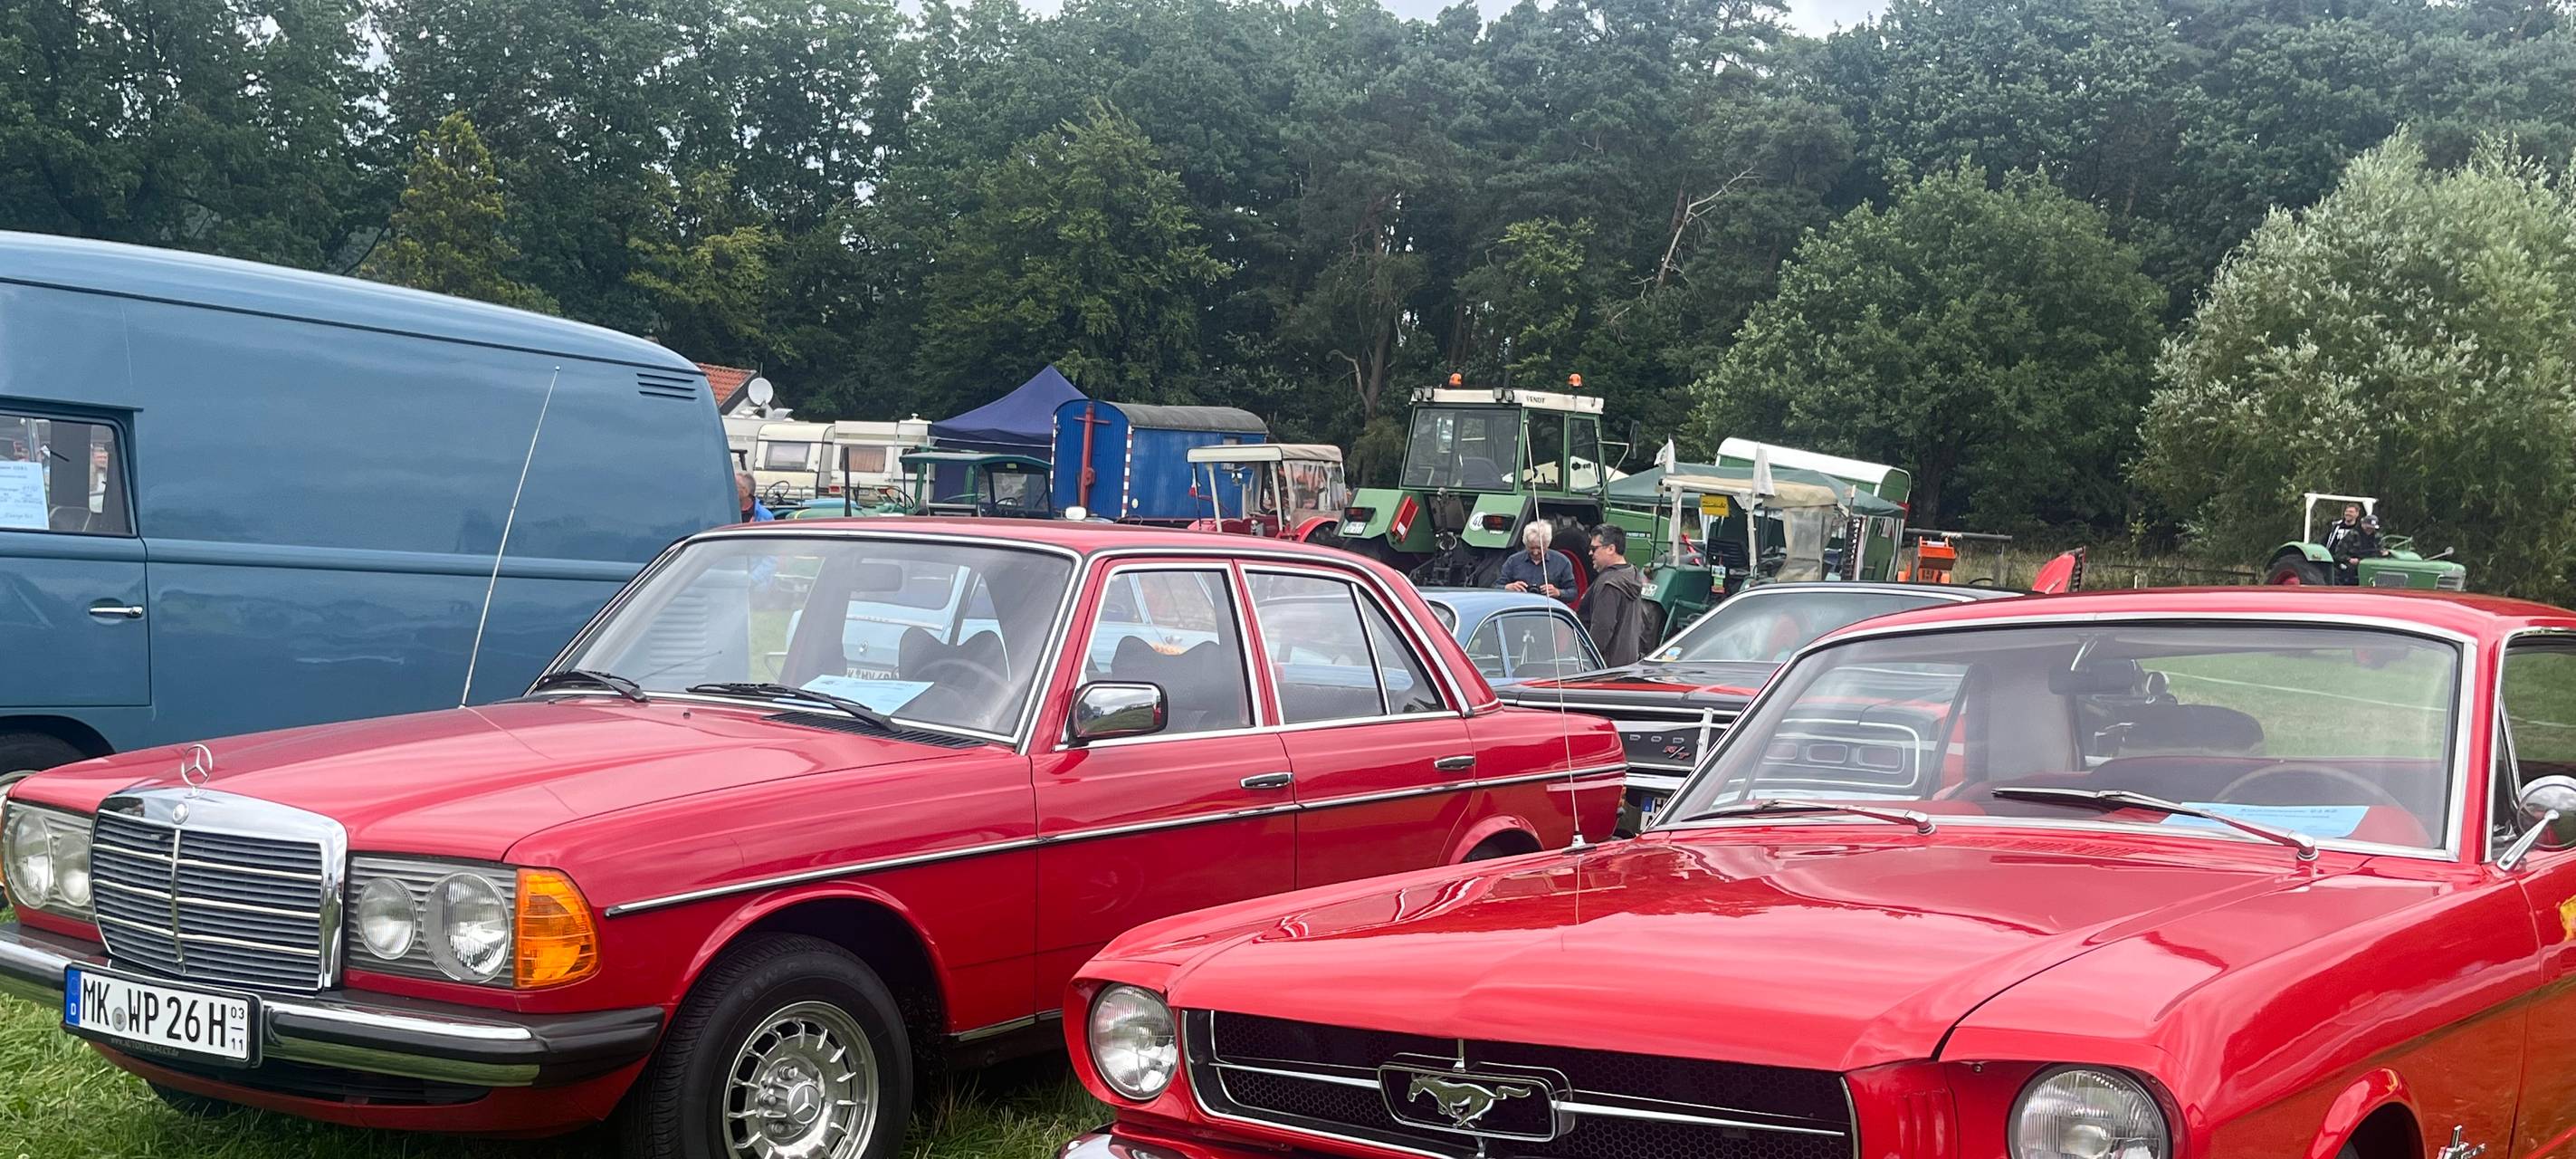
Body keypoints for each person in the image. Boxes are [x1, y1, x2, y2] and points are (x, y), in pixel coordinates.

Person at [1579, 524, 1646, 667]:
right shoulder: (1632, 574)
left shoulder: (1609, 584)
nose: (1590, 553)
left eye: (1594, 549)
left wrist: (1587, 660)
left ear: (1611, 549)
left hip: (1605, 670)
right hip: (1628, 665)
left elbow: (1602, 629)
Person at [1500, 522, 1576, 605]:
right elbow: (1494, 587)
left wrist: (1558, 592)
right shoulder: (1513, 561)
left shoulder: (1562, 562)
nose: (1535, 552)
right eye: (1531, 548)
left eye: (1539, 548)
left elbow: (1573, 593)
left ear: (1547, 544)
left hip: (1549, 611)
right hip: (1520, 610)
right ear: (1526, 544)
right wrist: (1507, 588)